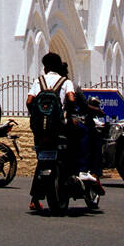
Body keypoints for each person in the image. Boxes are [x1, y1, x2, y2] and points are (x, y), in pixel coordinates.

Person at [26, 52, 78, 212]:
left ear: (45, 67)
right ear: (58, 66)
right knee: (68, 155)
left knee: (42, 161)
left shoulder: (38, 81)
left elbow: (29, 101)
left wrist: (36, 115)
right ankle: (69, 182)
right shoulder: (65, 82)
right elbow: (71, 99)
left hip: (40, 130)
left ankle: (35, 199)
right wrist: (69, 114)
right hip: (58, 128)